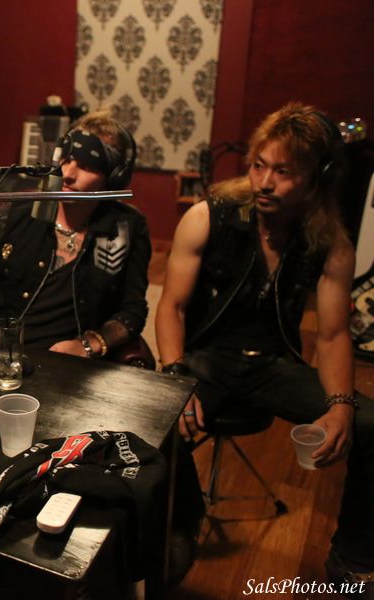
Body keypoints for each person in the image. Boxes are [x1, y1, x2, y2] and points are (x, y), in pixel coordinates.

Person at [156, 102, 374, 587]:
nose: (264, 183)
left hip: (273, 364)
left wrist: (340, 406)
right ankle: (182, 522)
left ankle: (351, 558)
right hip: (204, 360)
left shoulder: (331, 242)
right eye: (258, 165)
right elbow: (170, 307)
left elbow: (333, 334)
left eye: (283, 172)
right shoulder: (207, 216)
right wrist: (174, 378)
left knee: (370, 424)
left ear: (316, 179)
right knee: (153, 419)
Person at [0, 111, 150, 358]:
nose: (68, 174)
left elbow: (133, 310)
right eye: (66, 160)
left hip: (65, 366)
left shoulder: (127, 229)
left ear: (114, 177)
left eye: (86, 166)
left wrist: (89, 344)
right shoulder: (13, 216)